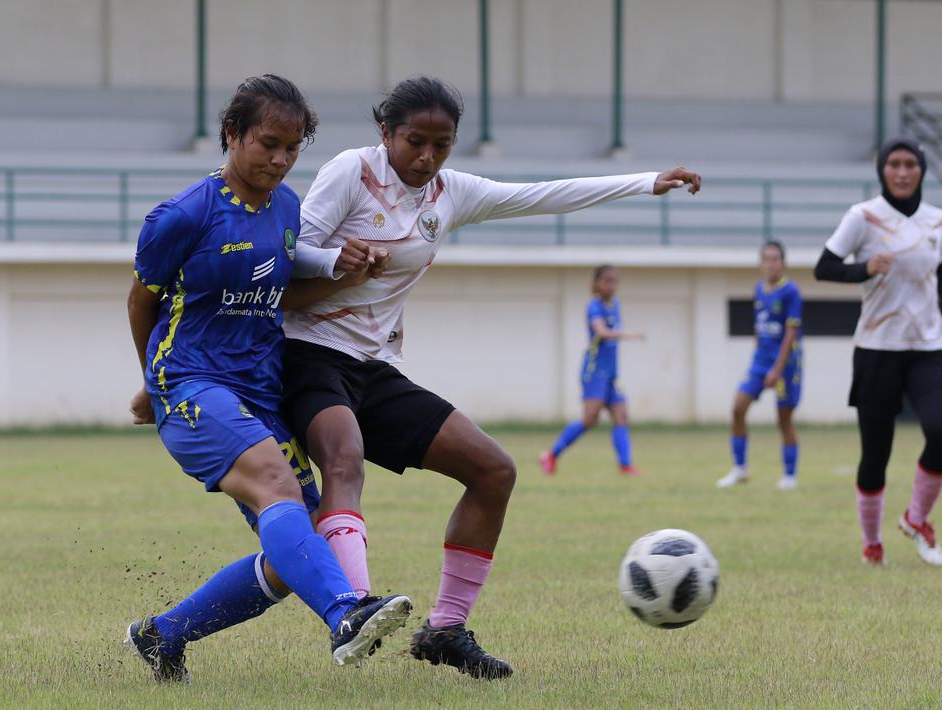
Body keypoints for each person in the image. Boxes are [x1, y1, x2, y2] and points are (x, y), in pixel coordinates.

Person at [283, 76, 700, 679]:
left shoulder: (451, 193)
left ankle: (446, 631)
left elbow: (543, 194)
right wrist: (336, 261)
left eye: (442, 144)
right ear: (386, 134)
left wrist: (644, 182)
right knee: (343, 461)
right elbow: (292, 254)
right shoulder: (353, 171)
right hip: (307, 354)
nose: (427, 157)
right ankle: (352, 609)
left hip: (372, 368)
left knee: (494, 470)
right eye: (415, 142)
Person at [123, 74, 412, 683]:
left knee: (294, 552)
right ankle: (347, 614)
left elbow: (279, 293)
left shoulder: (286, 209)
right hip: (194, 385)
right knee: (277, 485)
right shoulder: (182, 216)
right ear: (232, 135)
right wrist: (153, 382)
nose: (280, 159)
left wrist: (346, 277)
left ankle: (163, 634)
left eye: (292, 147)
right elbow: (140, 301)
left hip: (260, 392)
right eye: (268, 143)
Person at [814, 137, 942, 568]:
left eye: (910, 164)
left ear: (921, 170)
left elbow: (937, 269)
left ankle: (916, 519)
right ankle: (872, 543)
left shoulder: (937, 219)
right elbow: (824, 267)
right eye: (894, 164)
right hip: (877, 348)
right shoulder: (862, 217)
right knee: (876, 454)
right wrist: (863, 268)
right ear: (882, 170)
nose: (902, 172)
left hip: (929, 345)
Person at [539, 264, 645, 477]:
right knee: (590, 420)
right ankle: (551, 454)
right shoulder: (594, 306)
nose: (611, 285)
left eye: (614, 281)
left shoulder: (615, 304)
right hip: (594, 371)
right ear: (596, 283)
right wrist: (629, 335)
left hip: (612, 374)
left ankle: (626, 465)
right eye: (606, 280)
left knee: (621, 415)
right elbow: (601, 332)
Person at [716, 241, 803, 490]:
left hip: (785, 363)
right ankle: (740, 469)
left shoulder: (791, 292)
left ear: (783, 263)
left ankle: (789, 476)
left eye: (775, 259)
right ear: (761, 263)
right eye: (766, 259)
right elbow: (759, 326)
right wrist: (758, 358)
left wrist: (777, 368)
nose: (771, 264)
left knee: (783, 419)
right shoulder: (759, 289)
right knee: (738, 408)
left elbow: (791, 332)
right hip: (760, 360)